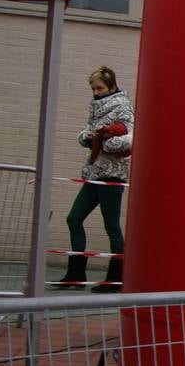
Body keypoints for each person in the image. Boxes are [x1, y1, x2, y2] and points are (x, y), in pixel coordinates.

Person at [51, 66, 133, 292]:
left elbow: (129, 140)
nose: (96, 92)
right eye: (93, 88)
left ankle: (116, 279)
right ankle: (76, 274)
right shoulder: (96, 106)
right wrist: (87, 137)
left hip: (112, 176)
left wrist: (104, 139)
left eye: (100, 88)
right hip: (95, 173)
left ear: (112, 86)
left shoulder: (123, 106)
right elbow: (87, 130)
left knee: (112, 227)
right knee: (73, 218)